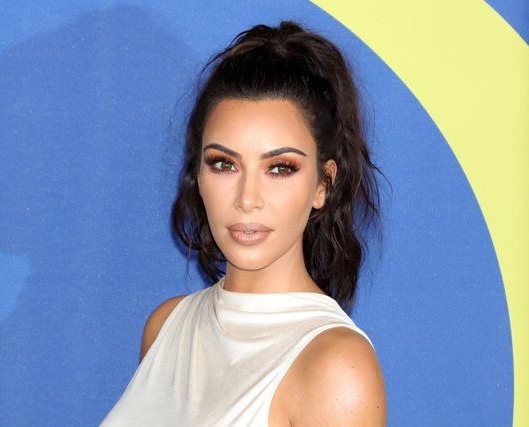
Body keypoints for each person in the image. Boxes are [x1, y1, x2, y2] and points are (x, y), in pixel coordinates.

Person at [101, 20, 386, 426]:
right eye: (224, 164)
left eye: (280, 168)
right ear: (197, 175)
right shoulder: (166, 325)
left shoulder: (335, 366)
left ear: (323, 185)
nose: (247, 198)